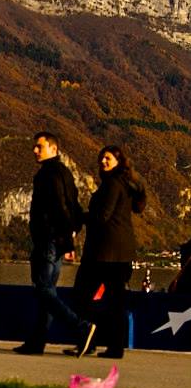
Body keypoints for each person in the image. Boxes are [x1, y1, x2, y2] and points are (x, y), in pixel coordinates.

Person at [15, 131, 94, 355]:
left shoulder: (47, 175)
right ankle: (37, 342)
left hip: (48, 240)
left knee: (43, 290)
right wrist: (70, 238)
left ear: (53, 148)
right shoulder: (65, 173)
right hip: (58, 241)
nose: (35, 151)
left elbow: (60, 207)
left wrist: (66, 241)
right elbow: (74, 207)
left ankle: (80, 326)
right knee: (48, 291)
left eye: (39, 146)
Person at [71, 145, 146, 358]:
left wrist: (79, 218)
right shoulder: (124, 184)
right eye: (102, 158)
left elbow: (103, 216)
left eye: (108, 158)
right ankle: (114, 346)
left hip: (105, 253)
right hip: (121, 253)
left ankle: (91, 338)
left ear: (118, 161)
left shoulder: (112, 184)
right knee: (115, 301)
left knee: (82, 295)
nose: (103, 161)